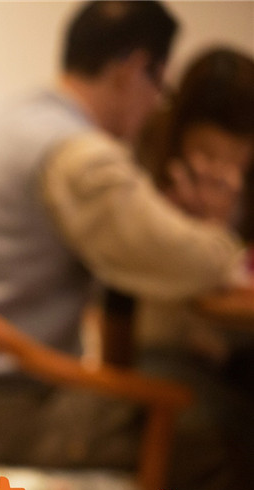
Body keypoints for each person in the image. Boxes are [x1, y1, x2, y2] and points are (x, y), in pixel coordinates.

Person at [0, 1, 253, 490]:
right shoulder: (78, 154)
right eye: (157, 87)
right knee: (212, 431)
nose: (153, 108)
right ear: (134, 68)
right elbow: (184, 258)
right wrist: (218, 233)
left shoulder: (3, 117)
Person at [133, 47, 254, 464]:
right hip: (167, 345)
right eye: (205, 150)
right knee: (214, 437)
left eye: (235, 153)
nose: (218, 167)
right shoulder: (148, 162)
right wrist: (208, 235)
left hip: (241, 347)